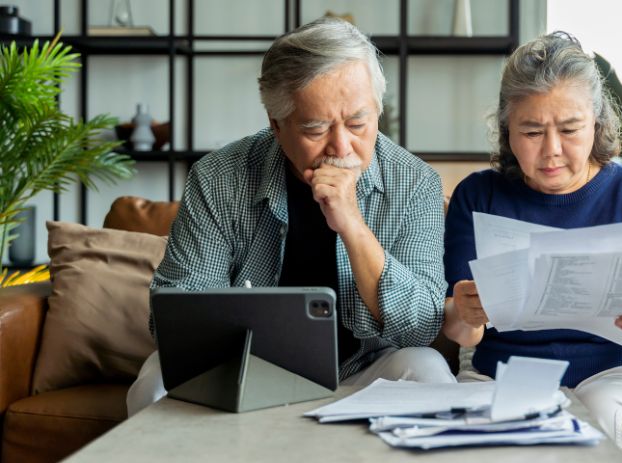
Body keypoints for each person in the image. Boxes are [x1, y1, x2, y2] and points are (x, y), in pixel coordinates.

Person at [127, 17, 455, 416]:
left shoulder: (415, 182)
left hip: (367, 371)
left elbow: (421, 326)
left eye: (357, 123)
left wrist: (351, 223)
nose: (341, 146)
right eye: (316, 129)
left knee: (428, 370)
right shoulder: (218, 178)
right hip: (243, 368)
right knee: (155, 382)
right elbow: (176, 319)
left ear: (377, 109)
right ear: (276, 126)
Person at [442, 32, 622, 463]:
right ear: (507, 130)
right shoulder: (479, 196)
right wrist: (465, 311)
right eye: (531, 131)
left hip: (619, 371)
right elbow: (459, 329)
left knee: (602, 421)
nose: (552, 151)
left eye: (569, 130)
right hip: (501, 373)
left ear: (597, 123)